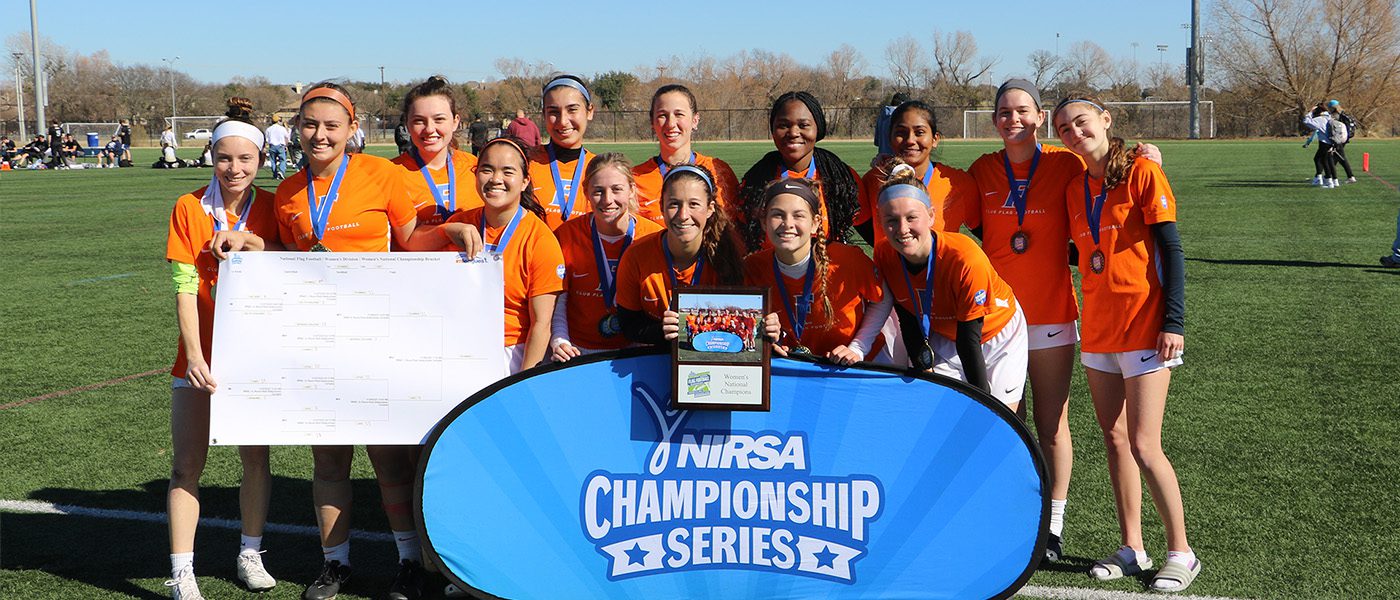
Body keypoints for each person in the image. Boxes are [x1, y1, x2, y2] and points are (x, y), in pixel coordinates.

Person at [272, 82, 425, 600]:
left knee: (389, 460)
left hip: (375, 337)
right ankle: (335, 564)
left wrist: (451, 235)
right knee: (330, 461)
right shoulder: (289, 192)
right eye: (311, 124)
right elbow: (280, 258)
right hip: (318, 341)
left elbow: (412, 241)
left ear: (351, 130)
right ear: (297, 128)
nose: (320, 134)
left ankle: (409, 562)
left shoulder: (382, 174)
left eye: (331, 125)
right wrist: (250, 246)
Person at [1052, 93, 1199, 592]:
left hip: (1144, 326)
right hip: (1097, 327)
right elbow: (1088, 251)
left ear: (1106, 120)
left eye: (1081, 122)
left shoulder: (1141, 172)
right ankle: (1132, 547)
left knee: (1143, 443)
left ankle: (1182, 551)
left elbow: (1172, 250)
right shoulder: (1075, 188)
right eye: (1064, 128)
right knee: (1115, 441)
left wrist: (1173, 321)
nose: (1074, 133)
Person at [162, 97, 282, 600]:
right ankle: (183, 571)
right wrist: (194, 356)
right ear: (212, 156)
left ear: (260, 161)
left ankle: (249, 554)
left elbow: (291, 265)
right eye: (224, 158)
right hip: (198, 356)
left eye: (245, 159)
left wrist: (250, 241)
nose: (234, 168)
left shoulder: (274, 207)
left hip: (254, 356)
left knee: (255, 460)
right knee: (187, 465)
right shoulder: (189, 208)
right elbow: (184, 286)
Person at [872, 169, 1029, 413]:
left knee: (998, 417)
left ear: (931, 216)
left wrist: (981, 405)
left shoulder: (963, 257)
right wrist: (924, 371)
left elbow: (970, 340)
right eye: (891, 220)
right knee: (941, 412)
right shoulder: (884, 254)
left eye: (911, 217)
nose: (902, 229)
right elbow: (908, 318)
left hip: (996, 332)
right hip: (945, 335)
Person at [444, 136, 564, 373]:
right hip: (459, 347)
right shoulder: (458, 225)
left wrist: (523, 381)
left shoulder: (540, 239)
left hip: (512, 352)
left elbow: (541, 324)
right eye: (487, 170)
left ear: (524, 181)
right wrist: (444, 230)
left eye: (507, 171)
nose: (496, 179)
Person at [744, 177, 892, 365]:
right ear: (764, 222)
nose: (787, 223)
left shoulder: (847, 260)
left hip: (855, 367)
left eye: (798, 215)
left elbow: (883, 298)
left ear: (815, 223)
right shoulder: (752, 267)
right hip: (797, 366)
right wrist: (770, 339)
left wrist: (858, 348)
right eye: (777, 215)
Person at [551, 153, 665, 362]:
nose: (607, 200)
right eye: (598, 191)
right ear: (585, 192)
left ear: (631, 189)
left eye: (616, 189)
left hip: (636, 351)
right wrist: (560, 340)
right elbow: (559, 298)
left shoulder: (653, 236)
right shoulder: (566, 235)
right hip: (577, 351)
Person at [615, 164, 746, 345]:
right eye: (674, 204)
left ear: (710, 209)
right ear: (661, 207)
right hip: (655, 357)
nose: (683, 215)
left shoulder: (728, 259)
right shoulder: (636, 257)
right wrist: (661, 331)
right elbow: (629, 324)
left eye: (694, 204)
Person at [736, 91, 862, 252]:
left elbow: (873, 233)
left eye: (803, 125)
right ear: (773, 130)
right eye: (783, 125)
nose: (793, 133)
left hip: (826, 273)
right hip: (773, 274)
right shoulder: (756, 181)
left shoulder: (841, 178)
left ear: (818, 128)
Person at [856, 99, 974, 247]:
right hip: (890, 270)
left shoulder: (958, 183)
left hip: (941, 270)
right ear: (890, 137)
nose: (910, 140)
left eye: (919, 132)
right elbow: (862, 224)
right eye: (901, 133)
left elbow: (984, 228)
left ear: (935, 139)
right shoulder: (873, 180)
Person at [390, 75, 483, 252]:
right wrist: (446, 231)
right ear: (407, 125)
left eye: (439, 119)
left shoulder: (475, 168)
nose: (430, 129)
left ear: (455, 122)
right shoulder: (390, 173)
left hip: (471, 274)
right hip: (416, 275)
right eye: (419, 121)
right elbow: (406, 240)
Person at [631, 85, 741, 225]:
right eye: (662, 115)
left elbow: (735, 229)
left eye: (679, 114)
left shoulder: (719, 171)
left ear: (695, 120)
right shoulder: (636, 179)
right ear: (652, 123)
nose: (671, 124)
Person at [529, 75, 596, 230]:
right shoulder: (525, 163)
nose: (563, 121)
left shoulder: (600, 169)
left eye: (572, 110)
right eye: (554, 112)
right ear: (543, 114)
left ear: (589, 111)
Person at [1302, 104, 1339, 188]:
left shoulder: (1320, 119)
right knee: (1325, 160)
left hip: (1324, 143)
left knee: (1323, 161)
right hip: (1332, 142)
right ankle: (1331, 180)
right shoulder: (1329, 117)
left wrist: (1310, 112)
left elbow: (1306, 121)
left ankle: (1328, 182)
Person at [872, 91, 909, 163]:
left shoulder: (881, 117)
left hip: (882, 160)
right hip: (897, 160)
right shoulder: (901, 117)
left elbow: (877, 142)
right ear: (902, 104)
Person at [1326, 99, 1357, 183]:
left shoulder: (1338, 116)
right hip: (1344, 138)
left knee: (1340, 157)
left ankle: (1350, 176)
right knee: (1337, 157)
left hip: (1340, 139)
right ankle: (1329, 175)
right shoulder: (1345, 114)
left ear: (1332, 108)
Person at [264, 115, 291, 180]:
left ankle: (275, 174)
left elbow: (266, 139)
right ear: (278, 120)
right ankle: (281, 171)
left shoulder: (269, 129)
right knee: (282, 160)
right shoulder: (282, 128)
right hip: (280, 146)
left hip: (272, 146)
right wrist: (286, 145)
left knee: (273, 161)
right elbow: (287, 137)